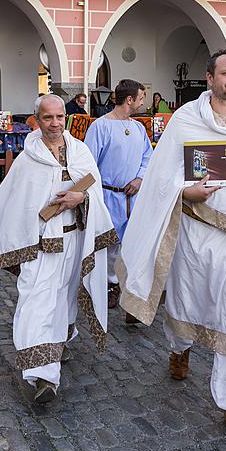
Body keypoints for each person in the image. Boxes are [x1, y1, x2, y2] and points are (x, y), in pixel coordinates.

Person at [117, 50, 226, 445]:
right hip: (195, 237)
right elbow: (162, 178)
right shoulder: (186, 120)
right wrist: (187, 191)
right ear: (209, 77)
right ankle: (179, 350)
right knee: (185, 306)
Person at [0, 94, 117, 403]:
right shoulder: (28, 159)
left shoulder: (80, 152)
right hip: (39, 246)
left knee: (64, 297)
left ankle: (58, 343)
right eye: (47, 118)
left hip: (75, 240)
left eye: (59, 117)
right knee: (35, 300)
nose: (54, 123)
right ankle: (43, 377)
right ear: (37, 120)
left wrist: (81, 198)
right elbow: (13, 202)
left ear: (66, 117)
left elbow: (94, 189)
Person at [84, 79, 152, 309]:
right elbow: (88, 163)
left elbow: (147, 157)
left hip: (133, 197)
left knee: (128, 243)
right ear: (129, 99)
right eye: (141, 98)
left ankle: (122, 284)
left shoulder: (138, 127)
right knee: (106, 243)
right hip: (108, 195)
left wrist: (140, 178)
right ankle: (105, 284)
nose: (143, 103)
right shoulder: (100, 127)